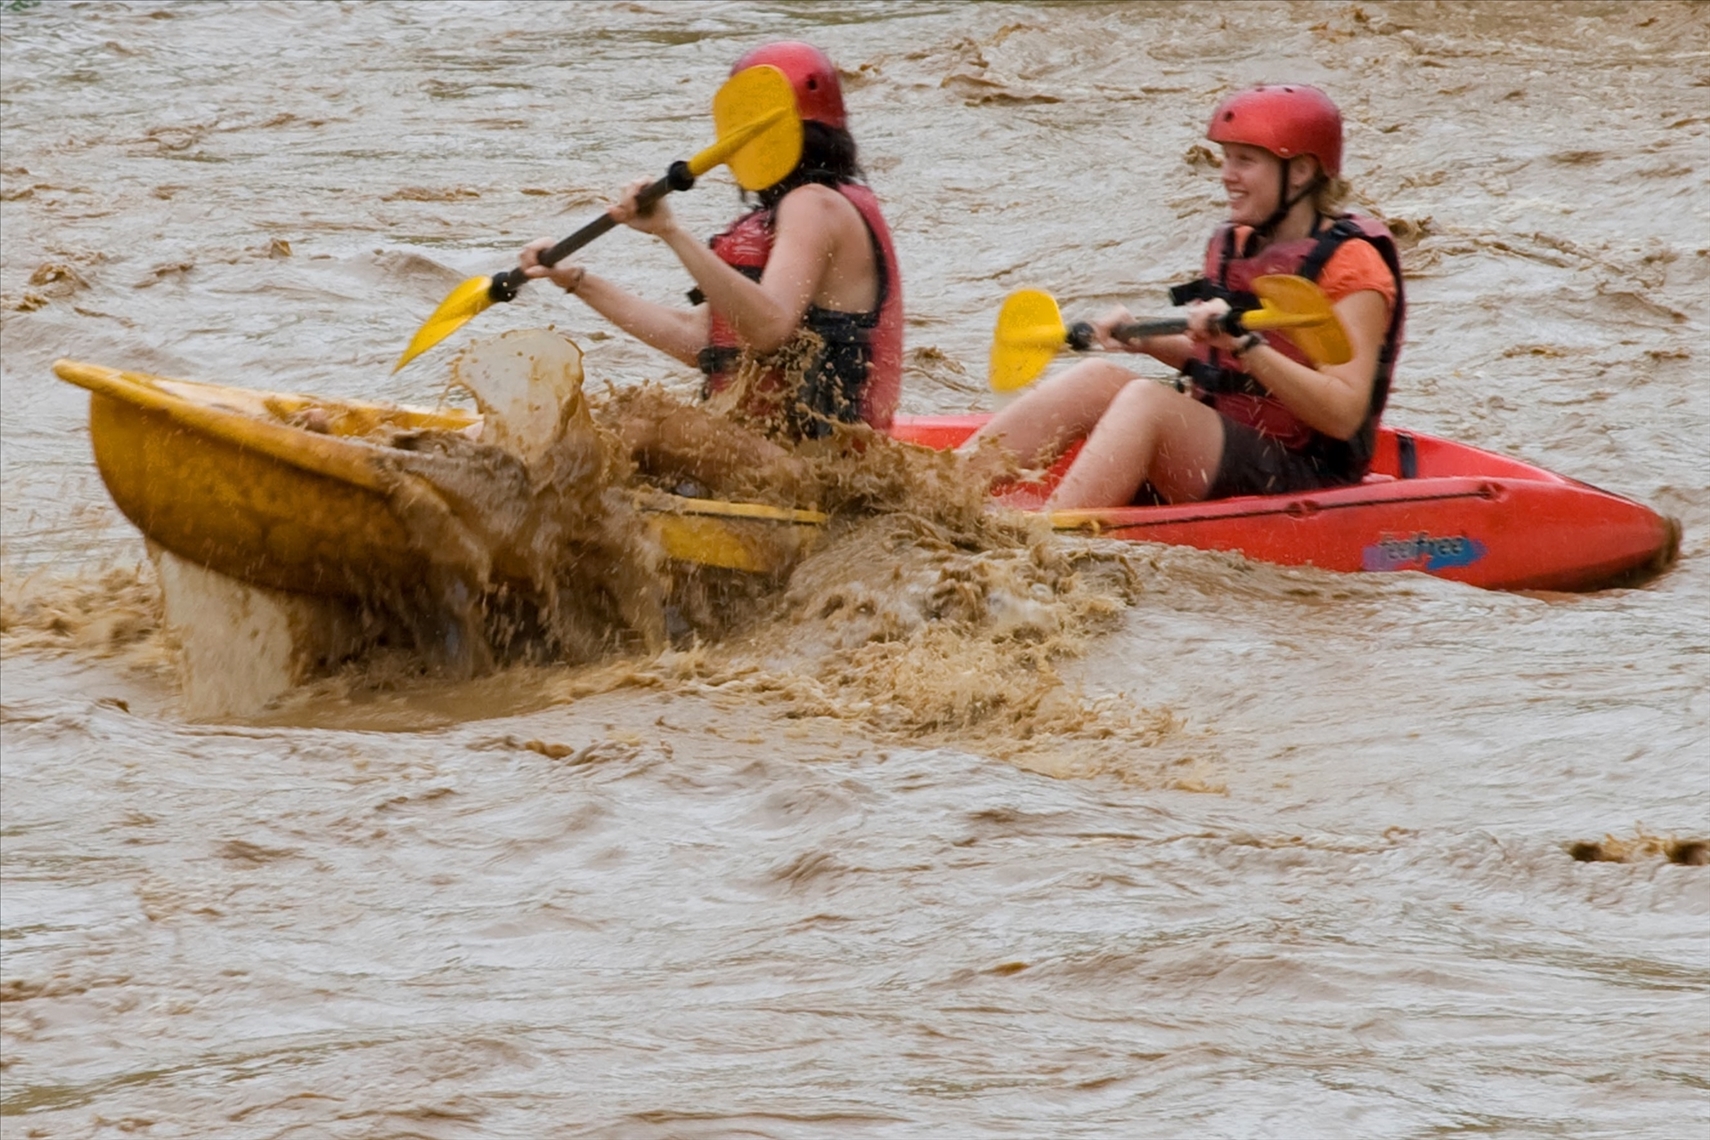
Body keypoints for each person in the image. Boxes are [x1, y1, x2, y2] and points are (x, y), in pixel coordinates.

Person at [961, 84, 1404, 509]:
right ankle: (935, 491)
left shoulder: (1353, 267)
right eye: (1226, 159)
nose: (1227, 176)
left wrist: (1248, 346)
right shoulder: (1240, 242)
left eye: (1245, 161)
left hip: (1304, 471)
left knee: (1148, 404)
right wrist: (1145, 339)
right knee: (1096, 376)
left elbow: (1343, 414)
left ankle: (1038, 545)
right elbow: (1217, 369)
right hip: (1225, 446)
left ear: (1301, 171)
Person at [519, 41, 903, 497]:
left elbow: (769, 327)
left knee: (638, 418)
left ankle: (506, 490)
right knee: (616, 427)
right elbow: (701, 341)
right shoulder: (806, 210)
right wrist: (578, 282)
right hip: (794, 466)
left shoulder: (813, 205)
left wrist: (671, 233)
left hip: (820, 476)